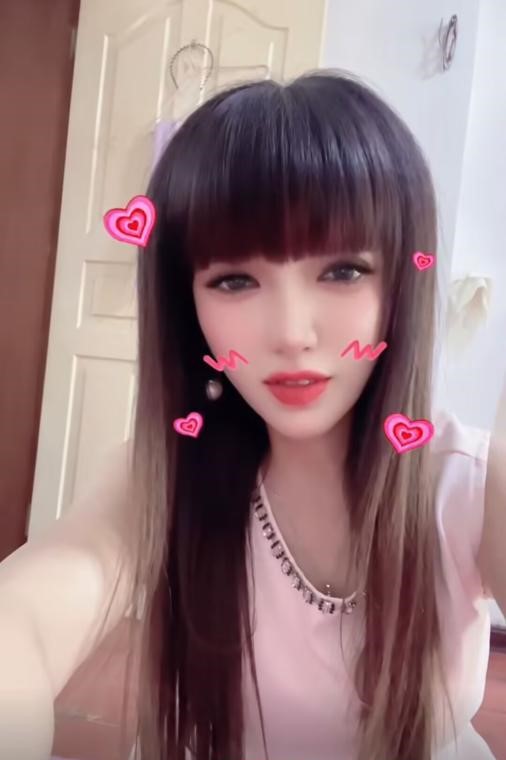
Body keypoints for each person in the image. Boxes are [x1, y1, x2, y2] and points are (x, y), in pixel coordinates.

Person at [0, 68, 504, 760]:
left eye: (343, 271)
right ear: (188, 304)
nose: (291, 333)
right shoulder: (163, 477)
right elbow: (24, 618)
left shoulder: (469, 483)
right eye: (234, 280)